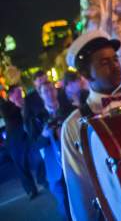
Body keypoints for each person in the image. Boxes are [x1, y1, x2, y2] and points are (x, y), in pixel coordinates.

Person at [61, 29, 121, 221]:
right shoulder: (73, 125)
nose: (115, 66)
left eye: (115, 59)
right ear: (86, 74)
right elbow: (79, 188)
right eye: (104, 62)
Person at [29, 81, 73, 220]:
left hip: (73, 163)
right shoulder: (37, 119)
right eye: (45, 91)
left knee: (81, 200)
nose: (49, 93)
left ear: (56, 91)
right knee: (64, 205)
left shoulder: (69, 110)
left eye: (50, 90)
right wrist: (44, 135)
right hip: (54, 169)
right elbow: (34, 147)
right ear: (41, 96)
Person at [0, 85, 39, 199]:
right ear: (11, 94)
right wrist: (19, 105)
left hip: (27, 136)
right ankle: (31, 190)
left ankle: (43, 179)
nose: (20, 94)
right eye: (18, 92)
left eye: (20, 91)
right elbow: (9, 115)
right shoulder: (5, 106)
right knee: (21, 166)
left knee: (36, 158)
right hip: (14, 141)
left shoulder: (25, 102)